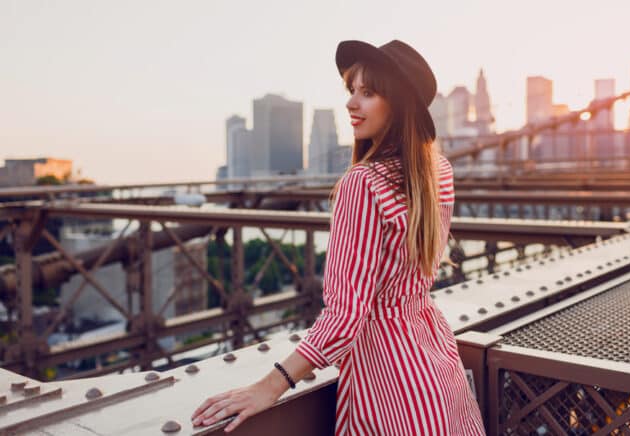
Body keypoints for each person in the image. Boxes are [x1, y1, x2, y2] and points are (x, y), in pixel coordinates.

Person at [191, 39, 486, 436]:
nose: (352, 103)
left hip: (390, 388)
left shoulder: (362, 184)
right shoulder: (438, 173)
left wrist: (270, 384)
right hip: (437, 372)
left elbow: (346, 316)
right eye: (351, 91)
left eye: (368, 93)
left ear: (397, 104)